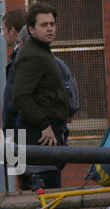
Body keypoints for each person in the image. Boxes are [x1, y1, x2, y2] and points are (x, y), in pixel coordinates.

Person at [12, 2, 69, 189]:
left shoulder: (42, 51)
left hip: (46, 136)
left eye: (52, 24)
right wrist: (44, 125)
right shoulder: (32, 55)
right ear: (31, 30)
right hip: (38, 137)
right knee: (44, 203)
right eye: (44, 25)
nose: (50, 28)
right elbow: (20, 96)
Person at [1, 9, 28, 133]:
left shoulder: (19, 59)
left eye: (3, 30)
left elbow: (12, 100)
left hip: (19, 131)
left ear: (12, 30)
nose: (2, 34)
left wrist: (9, 131)